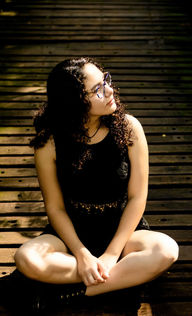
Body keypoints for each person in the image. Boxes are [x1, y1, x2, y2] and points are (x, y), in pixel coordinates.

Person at [13, 57, 179, 311]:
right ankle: (118, 281)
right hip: (71, 231)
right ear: (74, 102)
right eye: (97, 90)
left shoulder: (130, 128)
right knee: (27, 259)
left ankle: (74, 294)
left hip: (122, 229)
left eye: (106, 81)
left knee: (166, 251)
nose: (110, 91)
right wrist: (81, 254)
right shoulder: (49, 142)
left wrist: (112, 255)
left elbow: (137, 198)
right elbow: (55, 208)